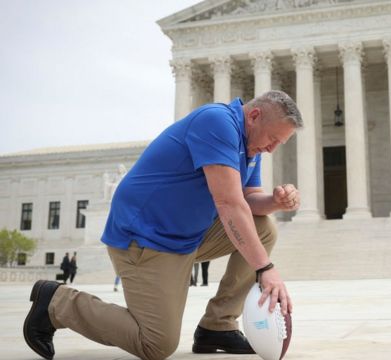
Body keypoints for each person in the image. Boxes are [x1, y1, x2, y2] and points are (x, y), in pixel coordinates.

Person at [23, 90, 302, 360]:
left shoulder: (251, 147)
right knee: (155, 343)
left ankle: (218, 326)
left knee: (264, 227)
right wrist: (265, 268)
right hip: (144, 238)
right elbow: (229, 203)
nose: (272, 148)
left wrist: (275, 202)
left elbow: (249, 200)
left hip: (185, 236)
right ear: (253, 116)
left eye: (280, 144)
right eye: (273, 139)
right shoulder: (217, 122)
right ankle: (56, 302)